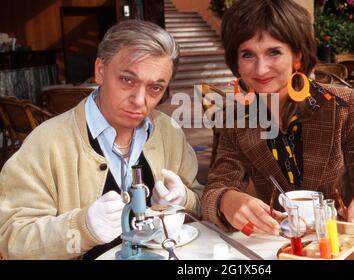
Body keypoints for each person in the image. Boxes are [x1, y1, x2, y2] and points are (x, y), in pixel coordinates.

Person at [201, 0, 354, 237]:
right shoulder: (237, 118)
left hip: (342, 244)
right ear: (236, 62)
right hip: (279, 248)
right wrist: (225, 199)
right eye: (247, 55)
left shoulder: (342, 106)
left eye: (273, 52)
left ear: (297, 55)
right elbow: (215, 188)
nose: (260, 68)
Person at [0, 20, 203, 259]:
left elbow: (201, 203)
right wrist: (82, 227)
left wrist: (185, 199)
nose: (140, 100)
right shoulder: (47, 142)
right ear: (100, 71)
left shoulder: (169, 132)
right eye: (127, 80)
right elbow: (11, 238)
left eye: (155, 88)